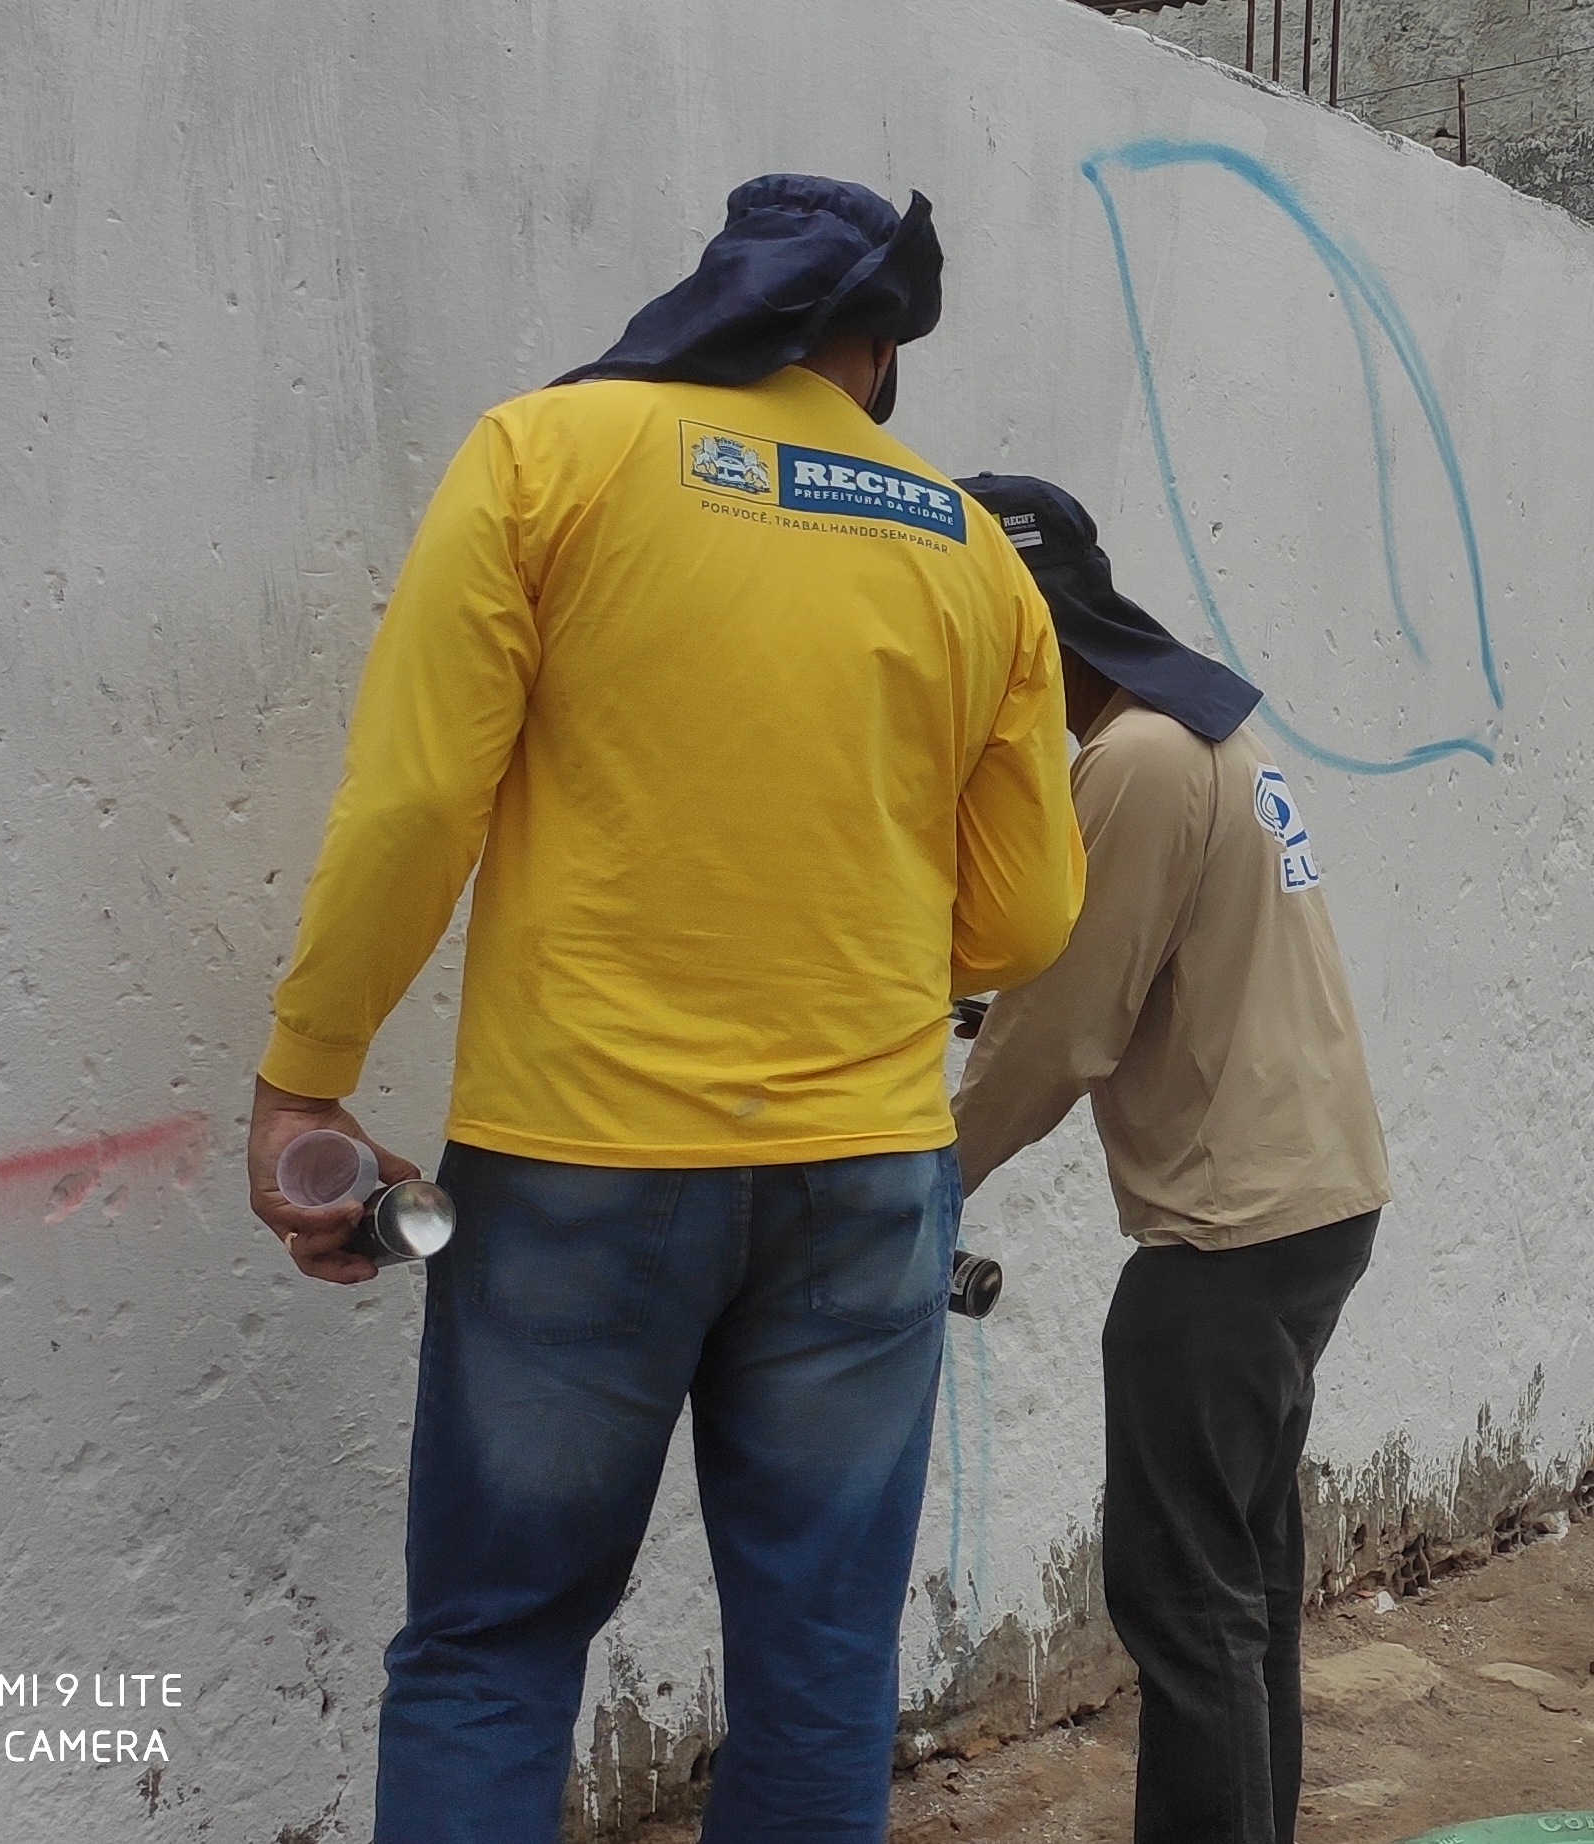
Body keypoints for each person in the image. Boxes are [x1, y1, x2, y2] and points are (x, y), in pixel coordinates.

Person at [241, 177, 1084, 1844]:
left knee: (493, 1640)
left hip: (578, 1173)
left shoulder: (546, 456)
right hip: (863, 1183)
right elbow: (1021, 914)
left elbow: (418, 803)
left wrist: (307, 1083)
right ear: (879, 347)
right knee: (824, 1657)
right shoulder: (972, 549)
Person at [943, 476, 1389, 1844]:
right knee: (1242, 1585)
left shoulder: (1129, 763)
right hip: (1314, 1202)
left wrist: (922, 1177)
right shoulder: (1214, 739)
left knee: (1182, 1598)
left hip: (1226, 1236)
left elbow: (1064, 1027)